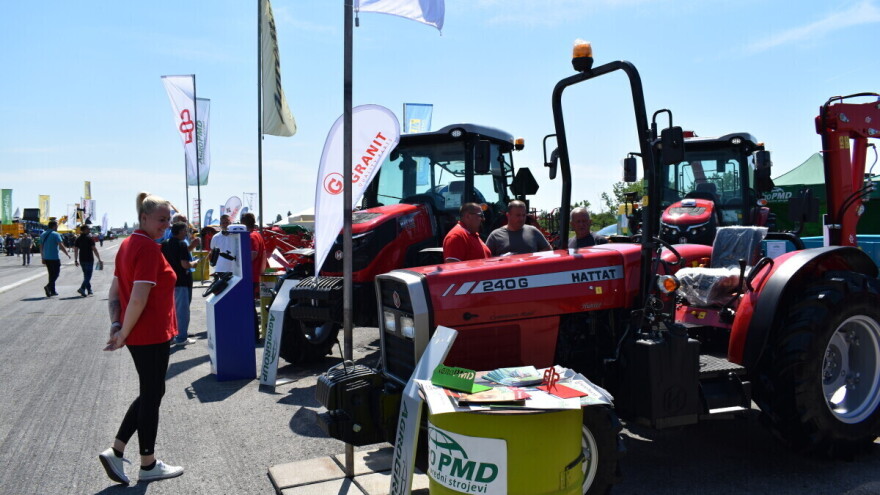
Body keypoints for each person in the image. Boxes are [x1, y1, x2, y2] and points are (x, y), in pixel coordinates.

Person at [98, 191, 184, 485]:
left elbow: (114, 292)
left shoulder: (127, 244)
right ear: (144, 218)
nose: (166, 226)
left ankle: (118, 451)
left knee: (152, 392)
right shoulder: (147, 248)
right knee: (152, 394)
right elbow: (137, 297)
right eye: (161, 220)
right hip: (150, 334)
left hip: (141, 334)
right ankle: (147, 463)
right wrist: (121, 331)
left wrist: (117, 325)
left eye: (169, 221)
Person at [162, 222, 195, 346]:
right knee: (182, 312)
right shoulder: (181, 244)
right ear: (180, 231)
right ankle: (181, 338)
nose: (186, 233)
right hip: (181, 281)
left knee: (171, 311)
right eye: (185, 230)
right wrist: (194, 263)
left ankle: (172, 335)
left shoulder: (165, 244)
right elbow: (185, 264)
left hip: (169, 282)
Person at [486, 200, 552, 256]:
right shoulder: (495, 236)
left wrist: (534, 257)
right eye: (518, 215)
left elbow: (549, 251)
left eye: (523, 215)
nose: (521, 218)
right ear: (508, 215)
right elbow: (486, 259)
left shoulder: (533, 231)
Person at [39, 220, 70, 297]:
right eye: (56, 225)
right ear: (54, 226)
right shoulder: (56, 234)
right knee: (56, 273)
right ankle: (48, 286)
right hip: (54, 257)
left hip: (46, 257)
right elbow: (61, 245)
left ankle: (52, 290)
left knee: (51, 274)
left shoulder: (43, 234)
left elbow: (41, 247)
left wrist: (42, 257)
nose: (57, 227)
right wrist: (67, 253)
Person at [74, 224, 102, 296]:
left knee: (86, 275)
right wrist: (99, 258)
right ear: (84, 230)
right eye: (88, 229)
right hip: (89, 259)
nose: (89, 230)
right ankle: (82, 288)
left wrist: (76, 260)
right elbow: (94, 249)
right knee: (88, 276)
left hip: (82, 259)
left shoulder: (78, 239)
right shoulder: (90, 239)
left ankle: (89, 290)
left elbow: (76, 250)